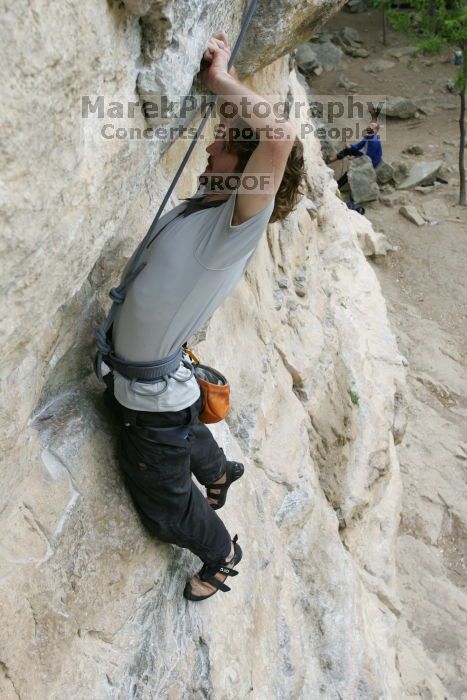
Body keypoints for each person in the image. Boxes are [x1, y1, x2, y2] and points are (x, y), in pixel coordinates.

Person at [102, 32, 307, 601]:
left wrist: (221, 79)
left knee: (165, 505)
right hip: (156, 384)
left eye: (222, 147)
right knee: (177, 427)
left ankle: (221, 553)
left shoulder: (232, 230)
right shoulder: (210, 205)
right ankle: (217, 473)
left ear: (246, 173)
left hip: (150, 401)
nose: (210, 149)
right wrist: (225, 86)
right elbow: (247, 142)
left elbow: (278, 137)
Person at [328, 121, 382, 190]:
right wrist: (350, 146)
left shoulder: (374, 142)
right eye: (369, 125)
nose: (369, 127)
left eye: (371, 126)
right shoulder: (368, 136)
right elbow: (358, 146)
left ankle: (338, 185)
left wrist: (355, 158)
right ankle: (331, 159)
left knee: (351, 169)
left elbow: (368, 158)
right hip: (366, 156)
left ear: (375, 130)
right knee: (348, 150)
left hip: (371, 161)